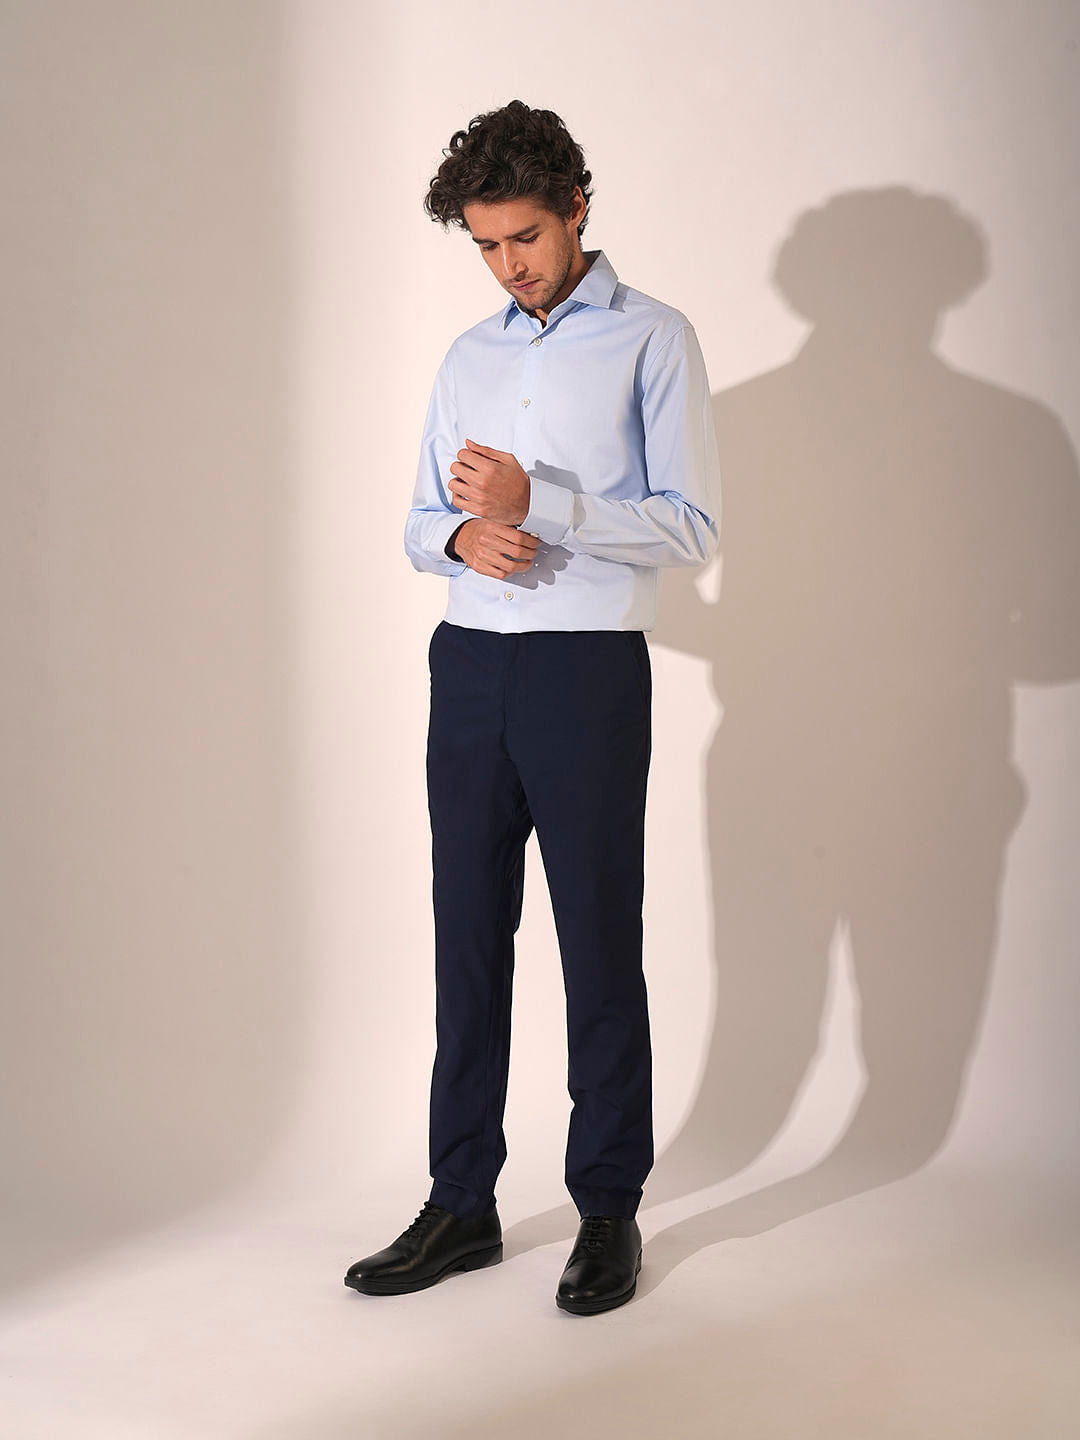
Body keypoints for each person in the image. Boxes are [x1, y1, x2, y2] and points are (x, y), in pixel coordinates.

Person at [344, 99, 720, 1315]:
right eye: (488, 246)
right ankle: (461, 1201)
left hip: (586, 675)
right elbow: (418, 521)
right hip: (470, 667)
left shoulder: (655, 338)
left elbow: (692, 529)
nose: (510, 265)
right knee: (467, 939)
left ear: (577, 210)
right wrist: (461, 534)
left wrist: (539, 503)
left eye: (527, 238)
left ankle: (608, 1207)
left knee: (598, 944)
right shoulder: (470, 355)